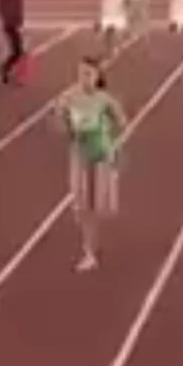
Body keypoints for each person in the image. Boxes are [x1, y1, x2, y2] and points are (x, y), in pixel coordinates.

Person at [56, 56, 126, 271]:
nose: (85, 78)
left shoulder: (105, 99)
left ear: (98, 76)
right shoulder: (68, 98)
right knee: (82, 206)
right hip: (80, 153)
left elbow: (122, 121)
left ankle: (91, 246)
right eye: (81, 74)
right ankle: (89, 250)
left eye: (89, 74)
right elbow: (60, 125)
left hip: (102, 153)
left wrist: (107, 134)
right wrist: (70, 127)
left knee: (98, 207)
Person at [0, 0, 26, 84]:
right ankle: (6, 71)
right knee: (18, 51)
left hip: (11, 22)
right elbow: (4, 6)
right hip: (10, 23)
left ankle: (7, 71)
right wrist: (13, 20)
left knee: (17, 51)